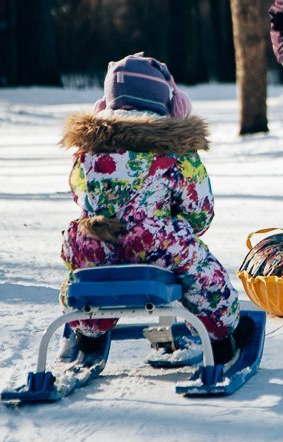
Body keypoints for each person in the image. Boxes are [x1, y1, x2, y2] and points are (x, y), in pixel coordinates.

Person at [59, 53, 252, 363]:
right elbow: (199, 209)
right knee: (200, 271)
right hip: (153, 247)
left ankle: (88, 331)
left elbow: (80, 194)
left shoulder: (87, 151)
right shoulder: (176, 151)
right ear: (170, 104)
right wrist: (178, 225)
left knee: (85, 272)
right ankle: (222, 334)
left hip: (96, 245)